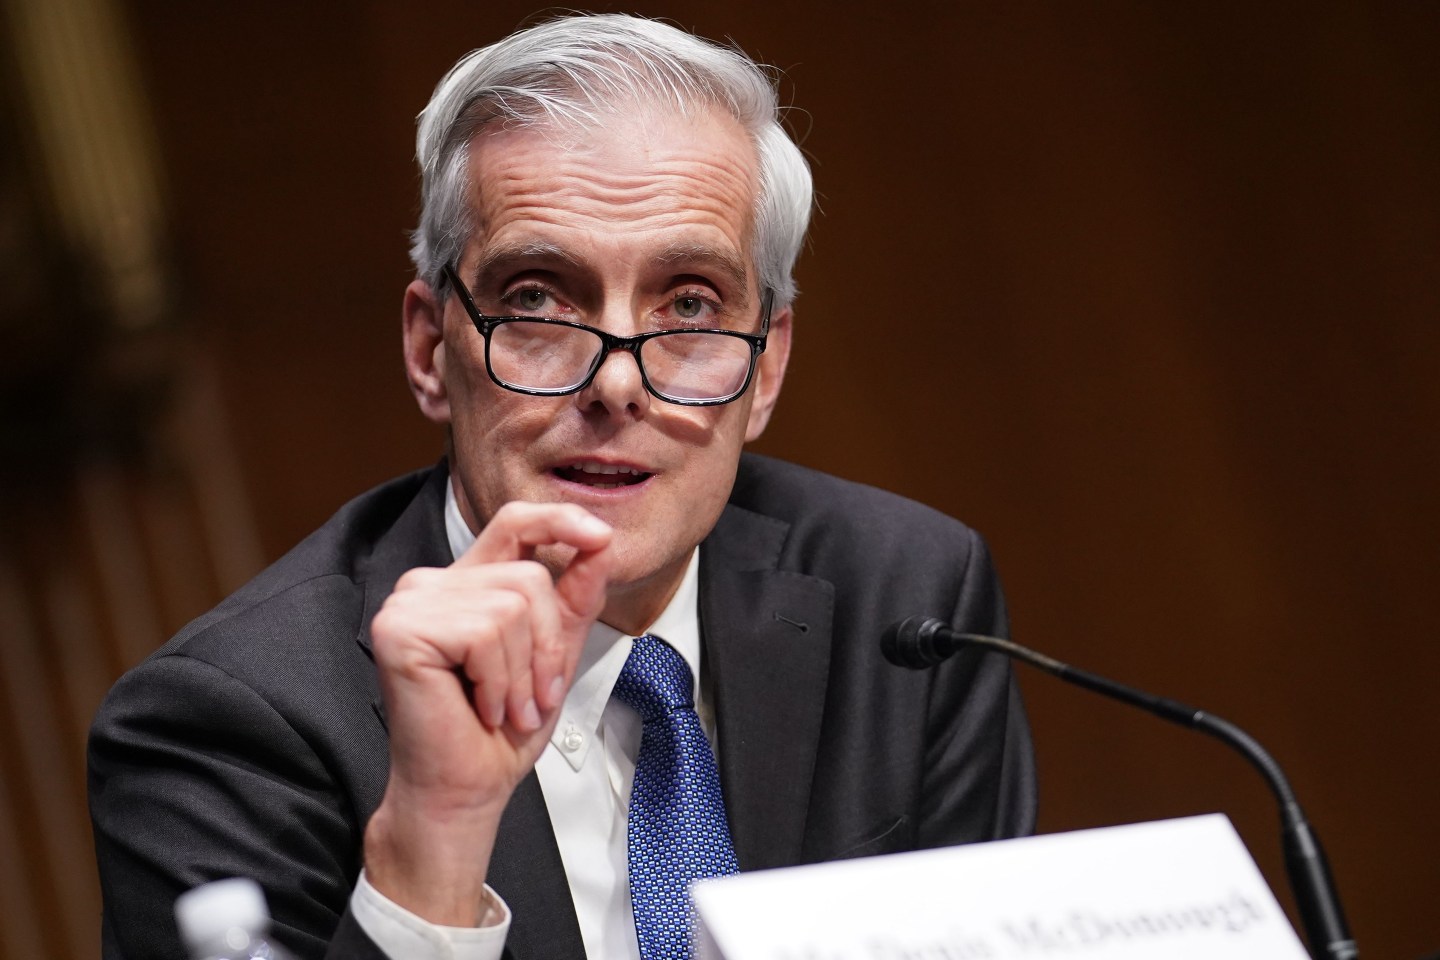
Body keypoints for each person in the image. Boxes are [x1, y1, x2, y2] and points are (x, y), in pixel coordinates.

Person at [89, 13, 1036, 960]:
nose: (616, 382)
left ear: (767, 368)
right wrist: (430, 852)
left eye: (691, 303)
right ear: (429, 349)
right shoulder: (228, 726)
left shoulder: (905, 604)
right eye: (537, 297)